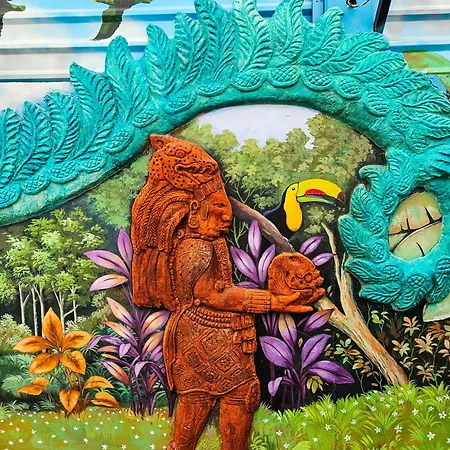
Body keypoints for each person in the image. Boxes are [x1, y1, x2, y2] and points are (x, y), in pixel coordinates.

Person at [131, 135, 324, 450]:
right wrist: (272, 301)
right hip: (200, 339)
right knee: (201, 410)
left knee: (240, 399)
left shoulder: (210, 241)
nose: (228, 215)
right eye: (220, 206)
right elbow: (213, 294)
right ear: (196, 207)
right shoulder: (195, 247)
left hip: (224, 338)